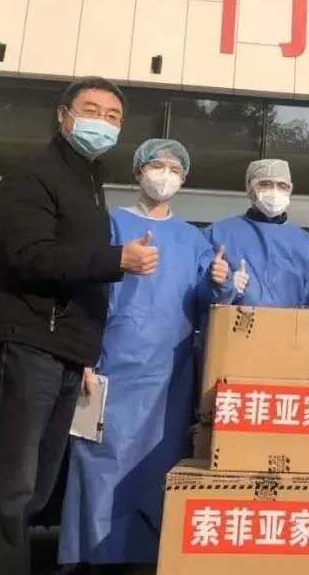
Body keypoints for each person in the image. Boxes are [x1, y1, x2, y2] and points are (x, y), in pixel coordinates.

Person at [0, 78, 159, 575]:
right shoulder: (33, 177)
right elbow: (30, 256)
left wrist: (85, 354)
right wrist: (116, 259)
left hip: (65, 350)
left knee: (35, 487)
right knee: (6, 485)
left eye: (113, 117)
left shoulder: (88, 185)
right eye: (91, 110)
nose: (102, 123)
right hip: (26, 343)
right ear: (63, 115)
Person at [58, 139, 218, 574]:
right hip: (111, 364)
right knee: (100, 462)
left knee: (156, 467)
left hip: (169, 374)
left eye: (174, 168)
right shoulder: (110, 224)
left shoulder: (192, 239)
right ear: (138, 171)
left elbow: (206, 296)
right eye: (157, 165)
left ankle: (147, 556)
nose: (165, 174)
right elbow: (85, 291)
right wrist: (83, 353)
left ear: (184, 179)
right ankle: (92, 555)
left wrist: (222, 280)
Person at [203, 159, 309, 307]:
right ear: (250, 188)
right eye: (265, 184)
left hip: (291, 322)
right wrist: (223, 286)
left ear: (290, 190)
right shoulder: (218, 234)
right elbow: (196, 297)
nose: (274, 191)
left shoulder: (305, 243)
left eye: (282, 186)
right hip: (238, 321)